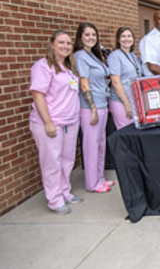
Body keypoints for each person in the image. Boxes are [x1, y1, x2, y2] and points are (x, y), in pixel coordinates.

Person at [30, 30, 83, 214]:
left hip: (70, 122)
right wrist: (48, 122)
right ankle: (54, 200)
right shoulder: (43, 66)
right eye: (61, 42)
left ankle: (65, 192)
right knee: (52, 162)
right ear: (52, 44)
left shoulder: (69, 68)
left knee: (67, 160)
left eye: (68, 43)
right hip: (51, 123)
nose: (65, 46)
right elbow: (38, 95)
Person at [74, 23, 112, 193]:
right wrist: (93, 109)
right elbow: (84, 84)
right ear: (80, 37)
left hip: (102, 103)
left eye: (93, 35)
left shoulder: (94, 56)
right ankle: (92, 183)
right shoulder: (80, 56)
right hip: (91, 107)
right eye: (87, 34)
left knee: (100, 143)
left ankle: (100, 178)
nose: (91, 38)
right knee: (91, 145)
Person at [108, 27, 142, 129]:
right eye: (123, 36)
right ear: (118, 39)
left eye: (129, 36)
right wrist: (127, 104)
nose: (126, 39)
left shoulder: (133, 56)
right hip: (121, 102)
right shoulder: (115, 56)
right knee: (125, 132)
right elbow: (115, 82)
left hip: (133, 101)